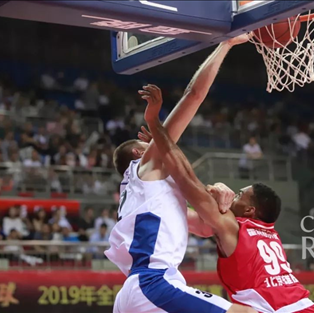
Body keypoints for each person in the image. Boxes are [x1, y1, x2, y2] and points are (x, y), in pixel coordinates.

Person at [144, 85, 314, 313]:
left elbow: (187, 180)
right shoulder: (270, 233)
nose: (233, 196)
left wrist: (158, 129)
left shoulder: (235, 227)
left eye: (239, 195)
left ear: (249, 211)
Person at [106, 35, 256, 313]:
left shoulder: (143, 199)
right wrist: (227, 44)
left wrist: (222, 202)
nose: (155, 143)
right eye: (147, 144)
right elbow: (194, 95)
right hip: (154, 284)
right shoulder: (146, 163)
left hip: (134, 292)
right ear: (140, 154)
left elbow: (205, 226)